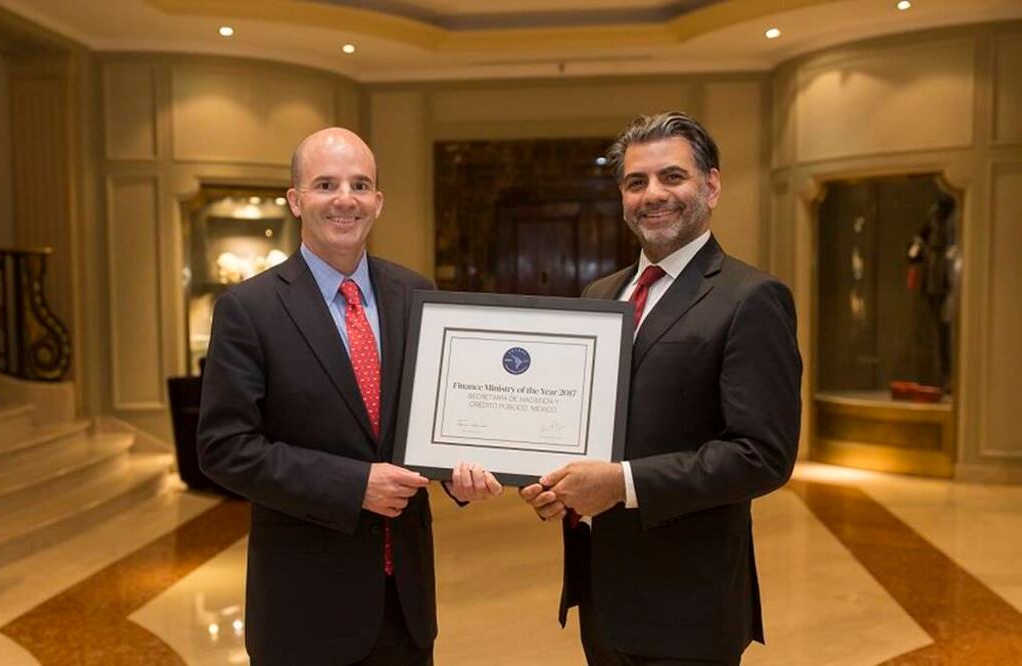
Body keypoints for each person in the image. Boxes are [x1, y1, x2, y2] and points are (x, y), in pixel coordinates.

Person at [197, 127, 501, 665]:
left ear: (378, 202)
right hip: (304, 607)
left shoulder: (418, 294)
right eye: (325, 184)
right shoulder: (249, 309)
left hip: (405, 607)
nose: (345, 199)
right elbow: (225, 449)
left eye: (360, 185)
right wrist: (354, 484)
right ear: (295, 200)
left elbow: (433, 420)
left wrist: (463, 469)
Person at [521, 112, 802, 665]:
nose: (653, 194)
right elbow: (577, 423)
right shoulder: (599, 295)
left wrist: (621, 484)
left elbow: (763, 455)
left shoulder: (751, 297)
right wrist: (551, 480)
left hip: (689, 605)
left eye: (672, 177)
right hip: (601, 592)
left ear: (712, 186)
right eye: (636, 182)